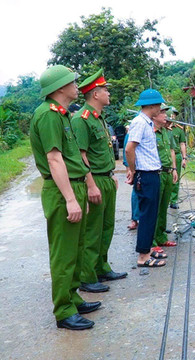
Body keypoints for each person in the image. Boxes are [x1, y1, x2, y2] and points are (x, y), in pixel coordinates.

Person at [30, 65, 100, 330]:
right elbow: (54, 158)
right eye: (73, 82)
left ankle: (72, 297)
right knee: (63, 254)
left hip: (74, 186)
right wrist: (70, 199)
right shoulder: (48, 115)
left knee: (77, 248)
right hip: (63, 191)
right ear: (60, 88)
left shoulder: (61, 114)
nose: (77, 86)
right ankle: (63, 311)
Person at [72, 69, 127, 293]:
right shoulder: (81, 120)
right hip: (93, 181)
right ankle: (87, 276)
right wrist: (92, 184)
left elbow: (101, 152)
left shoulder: (99, 117)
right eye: (105, 90)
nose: (108, 93)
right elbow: (81, 156)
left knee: (107, 227)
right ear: (95, 94)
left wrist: (111, 175)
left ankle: (101, 267)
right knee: (92, 231)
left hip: (106, 179)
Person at [125, 89, 167, 267]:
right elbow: (129, 149)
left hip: (152, 173)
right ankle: (143, 256)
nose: (160, 108)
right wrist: (133, 171)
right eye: (158, 105)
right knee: (147, 215)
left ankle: (148, 250)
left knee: (151, 214)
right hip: (146, 174)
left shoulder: (147, 122)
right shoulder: (140, 123)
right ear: (151, 105)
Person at [152, 105, 178, 254]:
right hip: (157, 173)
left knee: (163, 207)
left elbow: (171, 151)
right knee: (154, 208)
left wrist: (174, 169)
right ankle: (153, 240)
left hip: (168, 172)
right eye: (162, 113)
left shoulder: (166, 132)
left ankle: (161, 236)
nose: (166, 115)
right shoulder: (150, 132)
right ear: (154, 115)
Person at [168, 107, 188, 209]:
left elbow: (182, 144)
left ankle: (174, 200)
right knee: (166, 178)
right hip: (166, 156)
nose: (172, 116)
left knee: (176, 178)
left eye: (174, 114)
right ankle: (165, 199)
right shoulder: (163, 128)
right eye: (171, 114)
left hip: (177, 155)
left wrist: (184, 158)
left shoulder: (179, 129)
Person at [123, 125, 140, 230]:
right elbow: (127, 149)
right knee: (136, 193)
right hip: (136, 167)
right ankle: (134, 219)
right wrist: (129, 168)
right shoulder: (135, 128)